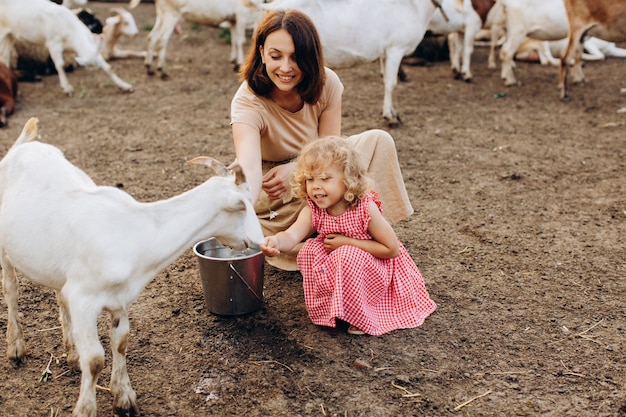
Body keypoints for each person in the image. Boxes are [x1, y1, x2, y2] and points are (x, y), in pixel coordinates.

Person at [231, 9, 413, 270]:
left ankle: (366, 234)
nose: (285, 67)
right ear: (261, 53)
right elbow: (248, 167)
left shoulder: (328, 83)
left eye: (296, 58)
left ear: (311, 56)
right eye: (275, 56)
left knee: (378, 141)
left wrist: (295, 168)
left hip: (318, 171)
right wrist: (244, 206)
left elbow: (332, 149)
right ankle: (316, 240)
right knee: (250, 228)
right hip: (273, 187)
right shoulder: (247, 101)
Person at [260, 137, 436, 336]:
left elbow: (391, 249)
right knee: (309, 250)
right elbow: (292, 235)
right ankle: (335, 308)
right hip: (343, 262)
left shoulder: (364, 208)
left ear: (347, 180)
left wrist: (348, 243)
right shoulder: (314, 209)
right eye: (310, 179)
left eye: (325, 179)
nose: (316, 186)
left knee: (346, 255)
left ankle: (363, 314)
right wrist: (275, 241)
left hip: (376, 267)